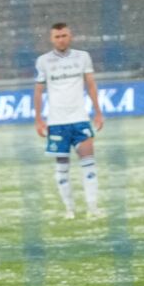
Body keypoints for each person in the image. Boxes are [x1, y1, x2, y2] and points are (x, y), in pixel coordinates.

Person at [34, 22, 103, 219]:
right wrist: (38, 119)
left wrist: (98, 112)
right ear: (51, 39)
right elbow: (38, 91)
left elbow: (90, 84)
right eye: (57, 36)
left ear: (70, 36)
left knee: (89, 164)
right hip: (57, 123)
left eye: (64, 35)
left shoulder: (83, 57)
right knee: (61, 169)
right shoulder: (43, 61)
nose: (61, 39)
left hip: (80, 120)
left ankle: (92, 208)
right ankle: (69, 210)